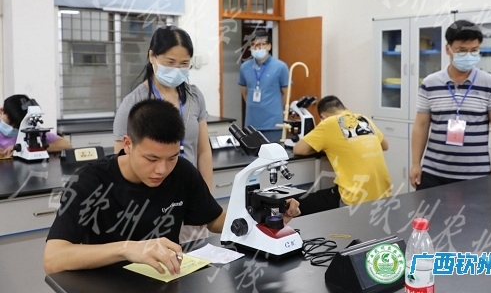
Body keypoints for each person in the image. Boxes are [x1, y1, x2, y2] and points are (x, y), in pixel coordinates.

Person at [43, 99, 300, 275]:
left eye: (172, 157)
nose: (162, 170)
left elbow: (214, 220)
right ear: (128, 144)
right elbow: (53, 259)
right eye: (151, 159)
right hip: (104, 283)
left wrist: (265, 217)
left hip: (167, 279)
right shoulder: (90, 181)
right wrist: (128, 248)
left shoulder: (182, 172)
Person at [410, 19, 491, 190]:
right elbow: (421, 125)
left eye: (474, 50)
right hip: (433, 173)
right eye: (462, 50)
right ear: (448, 49)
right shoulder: (430, 83)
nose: (468, 55)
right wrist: (415, 164)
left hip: (476, 175)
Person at [113, 26, 213, 190]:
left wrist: (207, 192)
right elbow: (121, 160)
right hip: (151, 192)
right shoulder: (133, 103)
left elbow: (203, 151)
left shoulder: (194, 96)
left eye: (184, 64)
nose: (177, 69)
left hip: (189, 188)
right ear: (152, 56)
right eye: (170, 63)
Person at [293, 95, 392, 215]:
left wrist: (325, 146)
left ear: (323, 117)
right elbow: (385, 145)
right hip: (384, 196)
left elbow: (298, 149)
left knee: (300, 203)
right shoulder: (363, 119)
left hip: (354, 199)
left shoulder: (328, 123)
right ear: (345, 108)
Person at [238, 29, 289, 142]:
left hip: (273, 124)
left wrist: (276, 108)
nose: (257, 48)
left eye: (261, 44)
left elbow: (286, 93)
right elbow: (244, 92)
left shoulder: (280, 67)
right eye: (253, 45)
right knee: (252, 153)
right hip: (251, 123)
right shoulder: (245, 67)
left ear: (269, 46)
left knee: (272, 152)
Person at [0, 94, 72, 157]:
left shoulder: (29, 130)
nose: (12, 128)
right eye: (10, 123)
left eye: (17, 126)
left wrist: (31, 149)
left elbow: (67, 145)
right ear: (1, 111)